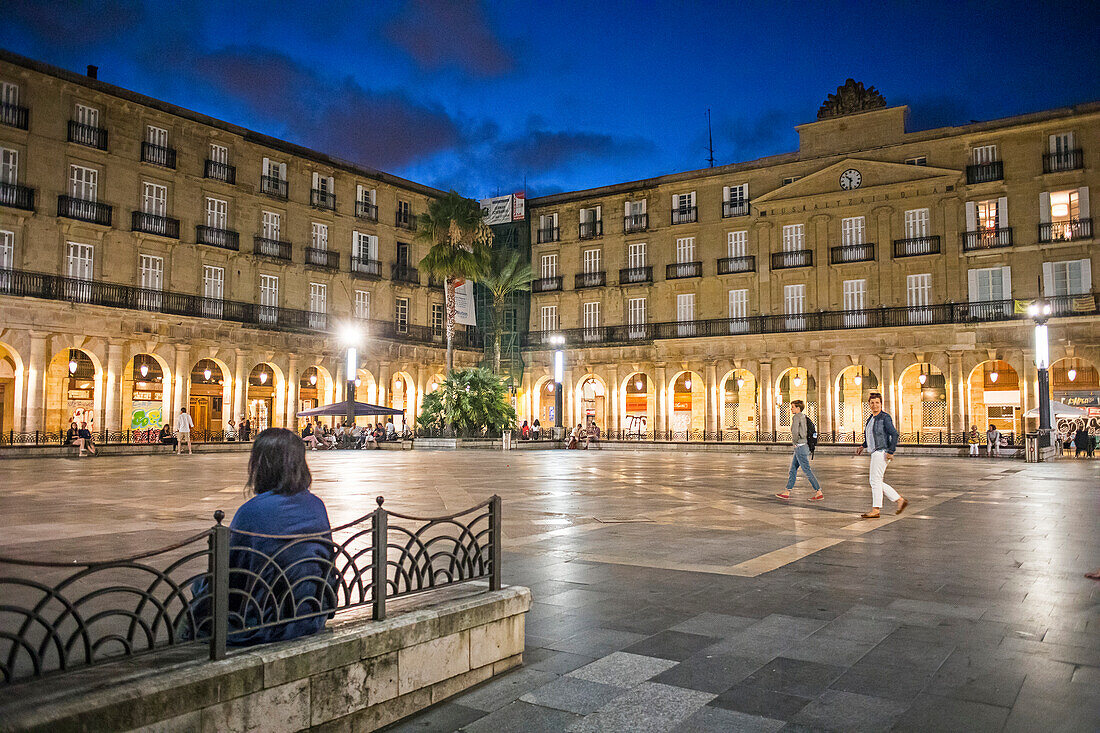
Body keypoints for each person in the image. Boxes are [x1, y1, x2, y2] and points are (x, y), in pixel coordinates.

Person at [183, 428, 337, 646]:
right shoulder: (316, 505)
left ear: (262, 466)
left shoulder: (252, 512)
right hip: (310, 613)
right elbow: (327, 564)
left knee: (198, 594)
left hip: (267, 621)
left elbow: (231, 576)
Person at [855, 392, 907, 518]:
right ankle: (899, 500)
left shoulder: (885, 417)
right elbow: (870, 435)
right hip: (875, 452)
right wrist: (863, 445)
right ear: (869, 404)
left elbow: (894, 434)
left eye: (877, 402)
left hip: (882, 451)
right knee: (876, 481)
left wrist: (891, 451)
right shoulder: (871, 418)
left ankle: (876, 509)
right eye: (872, 403)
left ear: (881, 404)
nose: (874, 405)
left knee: (875, 480)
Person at [776, 400, 823, 502]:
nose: (791, 408)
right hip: (803, 446)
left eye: (792, 407)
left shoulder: (796, 417)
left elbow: (795, 431)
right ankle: (787, 491)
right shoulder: (804, 416)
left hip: (800, 447)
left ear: (798, 408)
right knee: (793, 469)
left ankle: (818, 491)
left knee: (807, 470)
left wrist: (795, 442)